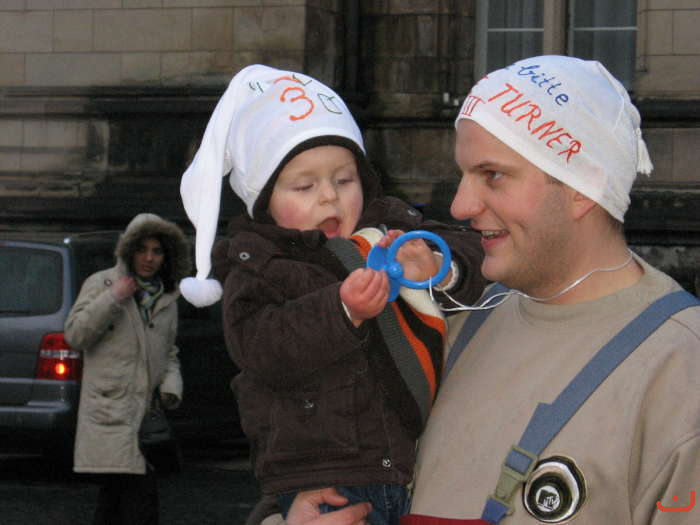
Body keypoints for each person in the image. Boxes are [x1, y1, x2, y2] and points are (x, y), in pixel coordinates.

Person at [286, 55, 700, 525]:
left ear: (584, 185)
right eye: (464, 175)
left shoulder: (680, 370)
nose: (460, 206)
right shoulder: (455, 322)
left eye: (493, 175)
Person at [178, 64, 486, 525]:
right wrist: (342, 310)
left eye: (344, 180)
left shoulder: (390, 227)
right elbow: (261, 347)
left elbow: (479, 253)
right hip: (329, 474)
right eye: (305, 186)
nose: (329, 197)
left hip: (418, 461)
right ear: (265, 201)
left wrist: (440, 267)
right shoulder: (258, 263)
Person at [65, 213, 191, 525]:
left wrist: (170, 388)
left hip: (146, 419)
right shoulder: (101, 283)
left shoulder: (168, 296)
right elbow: (76, 335)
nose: (149, 258)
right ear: (129, 250)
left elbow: (169, 351)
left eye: (157, 251)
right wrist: (114, 298)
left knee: (116, 503)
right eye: (142, 249)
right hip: (110, 414)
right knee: (138, 504)